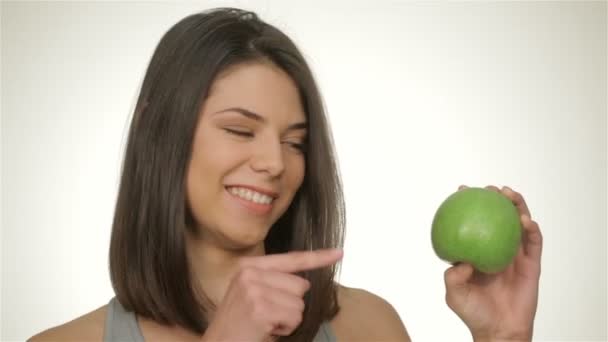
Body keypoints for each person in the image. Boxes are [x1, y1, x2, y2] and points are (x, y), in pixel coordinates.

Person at [29, 7, 543, 342]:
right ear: (157, 130)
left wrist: (504, 337)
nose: (275, 163)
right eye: (239, 129)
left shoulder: (367, 327)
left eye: (295, 141)